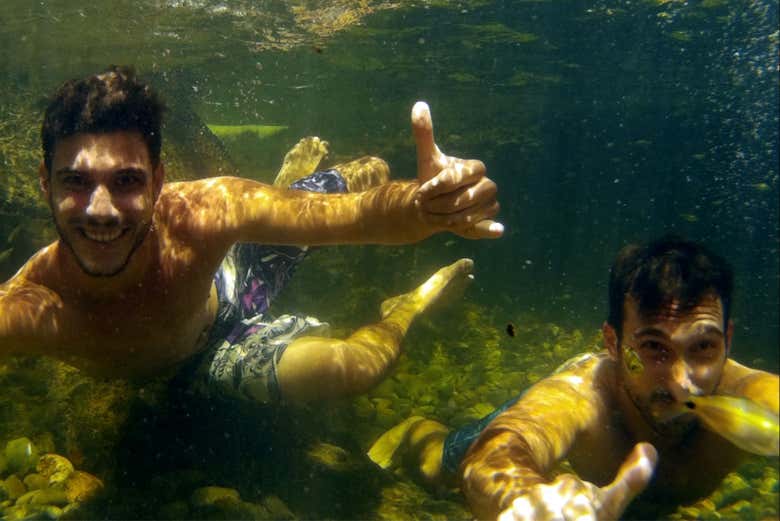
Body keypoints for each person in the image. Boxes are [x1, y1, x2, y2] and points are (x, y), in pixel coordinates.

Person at [0, 65, 501, 406]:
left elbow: (358, 217)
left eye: (127, 181)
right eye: (76, 182)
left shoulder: (204, 210)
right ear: (46, 182)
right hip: (212, 357)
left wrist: (427, 205)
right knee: (349, 369)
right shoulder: (33, 304)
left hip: (229, 279)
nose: (102, 212)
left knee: (372, 170)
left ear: (158, 181)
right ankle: (393, 296)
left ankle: (291, 202)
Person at [367, 236, 779, 520]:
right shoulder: (581, 398)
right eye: (654, 348)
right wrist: (529, 501)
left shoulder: (748, 405)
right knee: (436, 465)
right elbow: (496, 456)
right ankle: (418, 426)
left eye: (703, 348)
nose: (681, 383)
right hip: (566, 390)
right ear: (613, 343)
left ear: (727, 340)